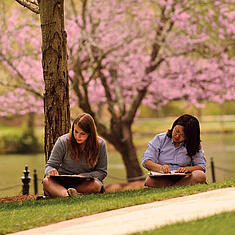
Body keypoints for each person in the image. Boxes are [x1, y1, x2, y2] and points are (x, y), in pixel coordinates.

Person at [42, 113, 108, 198]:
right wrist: (51, 171)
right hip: (61, 183)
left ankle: (65, 194)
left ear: (90, 133)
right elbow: (50, 165)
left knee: (96, 185)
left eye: (82, 133)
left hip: (84, 183)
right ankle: (69, 195)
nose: (78, 136)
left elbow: (102, 172)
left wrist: (83, 176)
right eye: (75, 132)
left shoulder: (100, 144)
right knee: (46, 181)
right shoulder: (63, 141)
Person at [142, 114, 206, 188]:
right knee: (150, 180)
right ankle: (179, 187)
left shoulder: (193, 144)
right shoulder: (160, 139)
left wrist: (187, 169)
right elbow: (146, 162)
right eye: (176, 131)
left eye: (182, 135)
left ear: (189, 137)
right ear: (173, 126)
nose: (177, 136)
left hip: (184, 178)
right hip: (162, 177)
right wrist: (161, 168)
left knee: (200, 176)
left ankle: (171, 188)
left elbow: (201, 166)